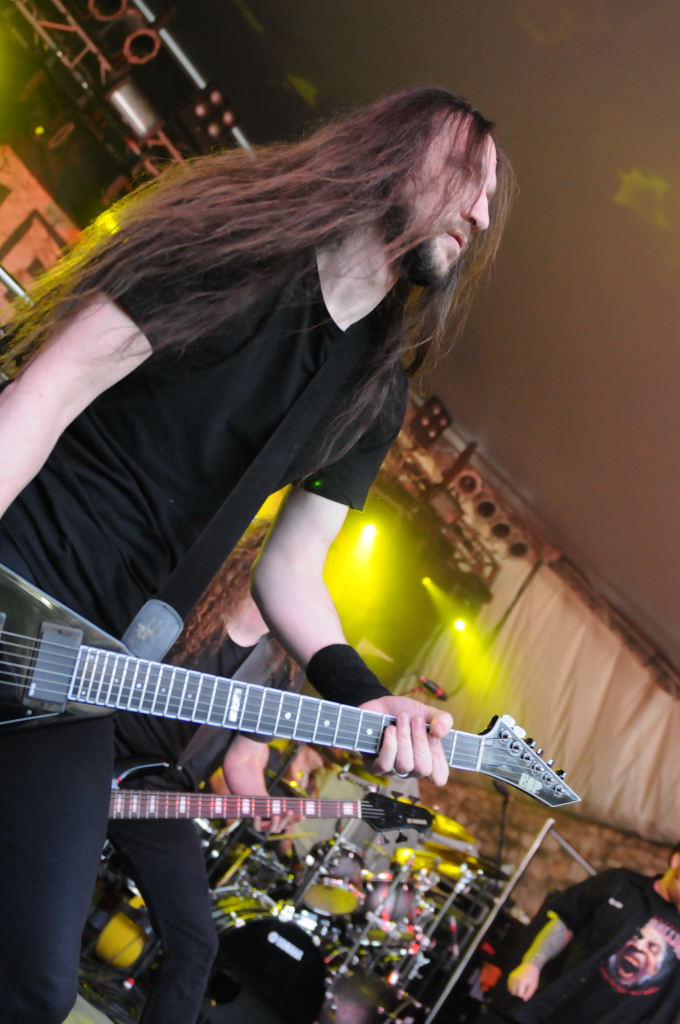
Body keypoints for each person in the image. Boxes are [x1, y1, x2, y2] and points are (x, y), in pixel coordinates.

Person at [0, 86, 512, 1022]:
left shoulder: (373, 389)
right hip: (16, 566)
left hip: (89, 661)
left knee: (33, 983)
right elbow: (45, 394)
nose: (481, 213)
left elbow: (291, 569)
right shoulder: (225, 244)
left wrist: (365, 696)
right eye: (468, 179)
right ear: (396, 156)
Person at [107, 517, 300, 1024]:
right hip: (95, 742)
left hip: (159, 787)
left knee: (197, 944)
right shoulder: (190, 594)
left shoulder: (280, 665)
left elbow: (245, 759)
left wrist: (263, 807)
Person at [506, 843, 680, 1022]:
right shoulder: (621, 884)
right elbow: (567, 919)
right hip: (555, 1010)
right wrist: (533, 964)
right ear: (677, 862)